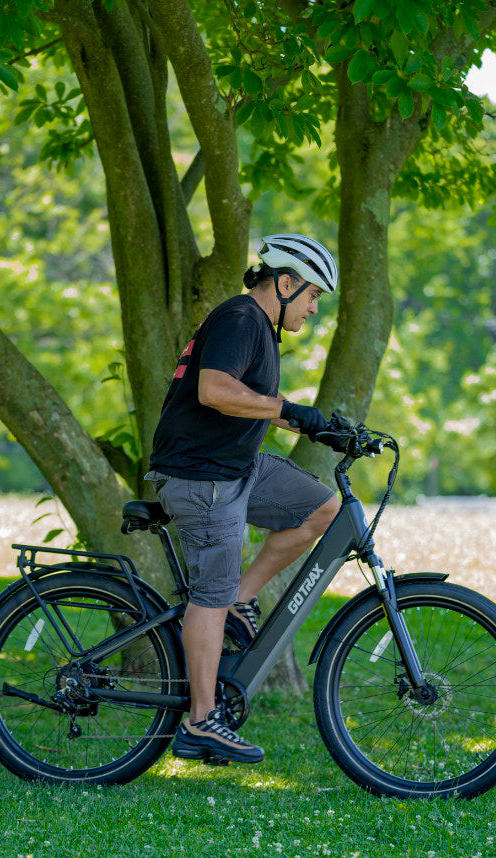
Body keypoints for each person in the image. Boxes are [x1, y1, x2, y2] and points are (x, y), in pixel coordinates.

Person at [145, 233, 341, 766]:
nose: (314, 307)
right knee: (208, 595)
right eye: (311, 295)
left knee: (324, 509)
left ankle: (239, 596)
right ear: (283, 283)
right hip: (202, 475)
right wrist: (290, 408)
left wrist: (319, 425)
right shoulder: (240, 319)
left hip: (234, 465)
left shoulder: (257, 328)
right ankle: (201, 721)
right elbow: (215, 390)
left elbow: (246, 399)